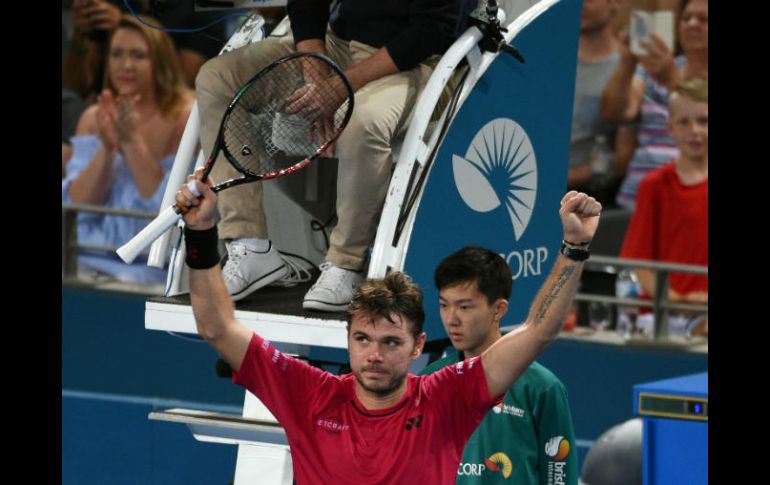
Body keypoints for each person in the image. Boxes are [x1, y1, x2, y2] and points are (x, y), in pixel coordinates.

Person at [174, 166, 602, 483]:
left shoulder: (446, 398)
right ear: (348, 339)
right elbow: (216, 326)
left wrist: (575, 247)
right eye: (362, 338)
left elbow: (539, 331)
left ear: (418, 347)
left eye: (390, 341)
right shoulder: (310, 394)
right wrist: (201, 234)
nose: (374, 354)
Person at [195, 0, 477, 309]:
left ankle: (346, 264)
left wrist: (341, 85)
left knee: (362, 122)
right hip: (336, 44)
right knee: (218, 79)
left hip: (421, 59)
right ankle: (250, 244)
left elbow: (433, 29)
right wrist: (316, 65)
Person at [420, 246, 578, 484]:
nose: (451, 319)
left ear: (499, 309)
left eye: (464, 307)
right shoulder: (428, 379)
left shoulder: (543, 388)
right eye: (444, 305)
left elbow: (559, 476)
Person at [62, 14, 194, 283]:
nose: (126, 65)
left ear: (160, 60)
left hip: (152, 263)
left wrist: (132, 141)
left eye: (138, 55)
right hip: (88, 257)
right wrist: (108, 149)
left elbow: (167, 209)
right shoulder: (94, 116)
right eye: (117, 54)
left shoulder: (186, 116)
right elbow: (80, 208)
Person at [619, 77, 707, 336]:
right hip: (664, 314)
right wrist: (681, 301)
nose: (695, 131)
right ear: (670, 128)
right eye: (684, 122)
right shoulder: (654, 186)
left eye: (704, 121)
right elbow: (642, 267)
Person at [600, 0, 707, 210]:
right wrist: (627, 62)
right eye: (686, 18)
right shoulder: (655, 68)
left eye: (704, 19)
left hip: (695, 203)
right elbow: (615, 113)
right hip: (636, 201)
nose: (692, 24)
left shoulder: (666, 69)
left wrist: (672, 81)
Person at [568, 0, 624, 206]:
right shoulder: (555, 60)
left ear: (616, 3)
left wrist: (576, 175)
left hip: (595, 197)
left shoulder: (625, 68)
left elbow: (625, 153)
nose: (581, 5)